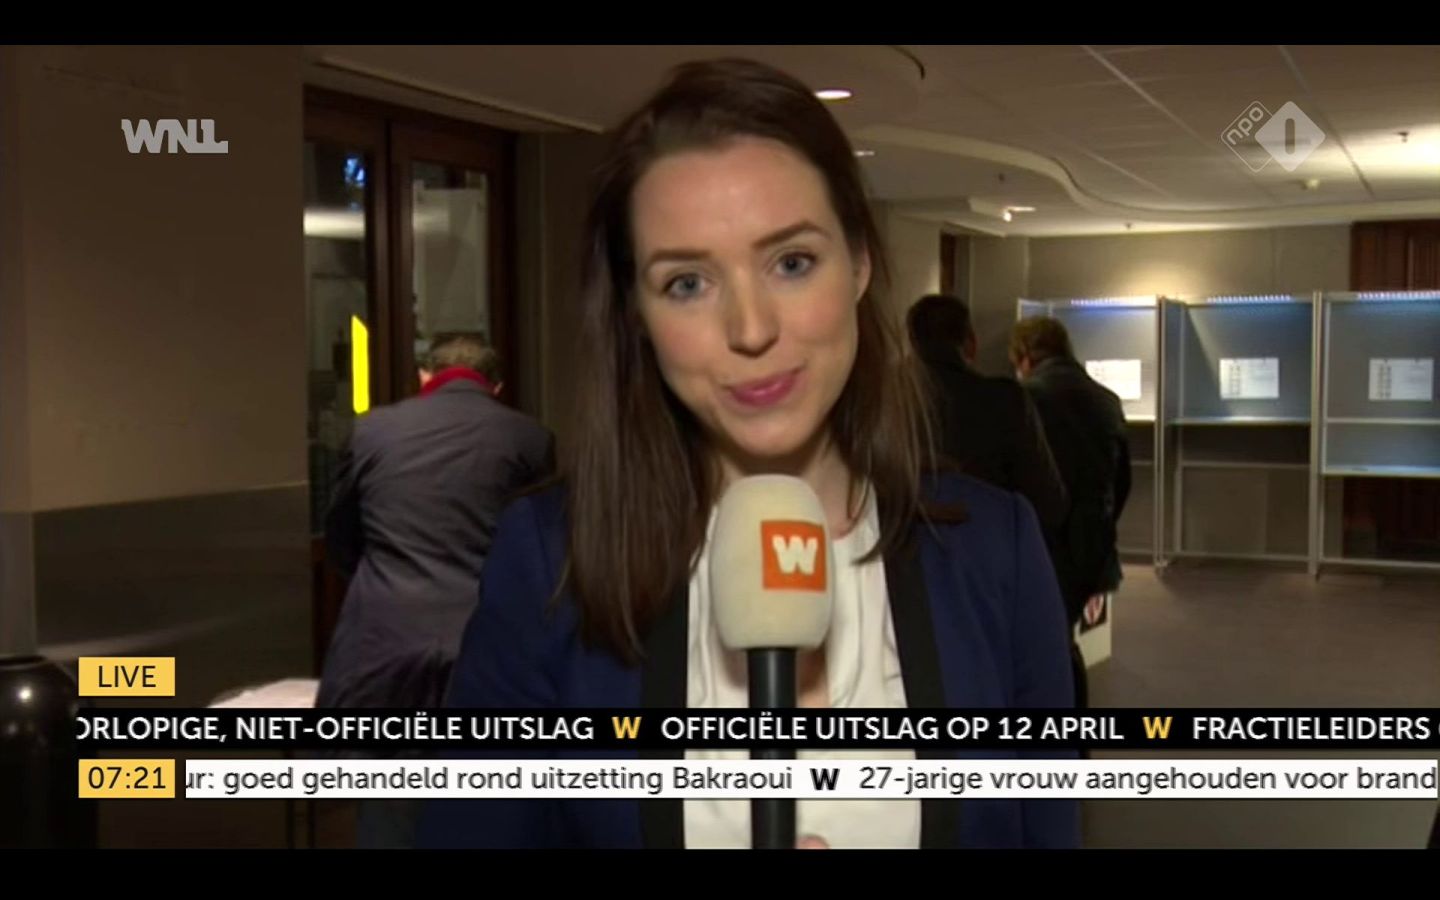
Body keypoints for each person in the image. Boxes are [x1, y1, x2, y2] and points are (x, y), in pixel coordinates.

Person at [418, 59, 1077, 850]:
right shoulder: (548, 563)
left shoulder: (995, 553)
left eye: (791, 262)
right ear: (636, 314)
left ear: (859, 262)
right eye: (687, 283)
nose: (752, 329)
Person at [317, 333, 555, 846]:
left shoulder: (372, 431)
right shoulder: (528, 438)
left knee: (386, 799)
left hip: (387, 639)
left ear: (425, 375)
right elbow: (542, 548)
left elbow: (341, 537)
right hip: (488, 639)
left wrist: (383, 581)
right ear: (495, 386)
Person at [1009, 316, 1131, 710]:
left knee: (1045, 649)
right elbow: (1122, 482)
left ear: (1024, 356)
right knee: (1061, 638)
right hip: (1092, 546)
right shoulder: (1106, 399)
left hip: (1046, 544)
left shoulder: (1026, 398)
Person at [906, 293, 1067, 531]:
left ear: (911, 343)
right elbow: (1048, 503)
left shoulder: (883, 401)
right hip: (988, 542)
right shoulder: (1005, 400)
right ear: (971, 343)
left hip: (900, 547)